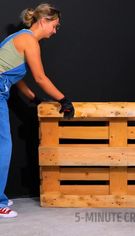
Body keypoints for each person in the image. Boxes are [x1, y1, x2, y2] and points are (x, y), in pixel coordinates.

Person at [0, 3, 74, 218]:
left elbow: (15, 76)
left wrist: (34, 99)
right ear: (44, 21)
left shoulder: (19, 37)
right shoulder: (30, 41)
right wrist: (64, 100)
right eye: (55, 26)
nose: (55, 31)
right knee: (3, 146)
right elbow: (40, 77)